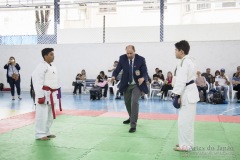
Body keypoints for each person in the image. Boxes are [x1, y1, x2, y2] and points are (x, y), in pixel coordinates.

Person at [112, 45, 149, 133]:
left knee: (134, 102)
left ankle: (133, 124)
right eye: (127, 53)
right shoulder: (122, 58)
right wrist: (113, 76)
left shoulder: (141, 59)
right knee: (127, 102)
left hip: (137, 84)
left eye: (130, 53)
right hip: (126, 84)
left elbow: (145, 72)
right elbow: (117, 70)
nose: (129, 55)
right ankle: (130, 117)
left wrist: (143, 78)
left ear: (134, 51)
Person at [172, 40, 199, 151]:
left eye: (176, 50)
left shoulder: (184, 62)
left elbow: (181, 81)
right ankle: (186, 143)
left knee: (184, 122)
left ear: (181, 51)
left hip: (187, 94)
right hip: (189, 92)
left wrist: (176, 95)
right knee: (187, 122)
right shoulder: (189, 61)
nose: (175, 52)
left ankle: (185, 145)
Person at [32, 48, 60, 140]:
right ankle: (39, 134)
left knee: (50, 115)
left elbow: (54, 82)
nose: (53, 56)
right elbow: (37, 82)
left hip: (52, 94)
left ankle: (47, 132)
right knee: (42, 115)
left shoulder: (53, 67)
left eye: (53, 54)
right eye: (51, 54)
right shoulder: (41, 67)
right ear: (45, 56)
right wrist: (40, 96)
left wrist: (57, 94)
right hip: (44, 94)